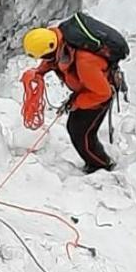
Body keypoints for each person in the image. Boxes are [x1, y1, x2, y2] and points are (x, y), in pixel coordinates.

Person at [23, 26, 115, 173]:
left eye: (44, 57)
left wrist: (77, 102)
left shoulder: (85, 62)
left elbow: (103, 93)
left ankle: (101, 165)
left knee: (80, 132)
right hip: (87, 89)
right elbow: (52, 60)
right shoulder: (60, 44)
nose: (44, 60)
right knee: (77, 128)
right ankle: (98, 162)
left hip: (98, 95)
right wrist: (39, 72)